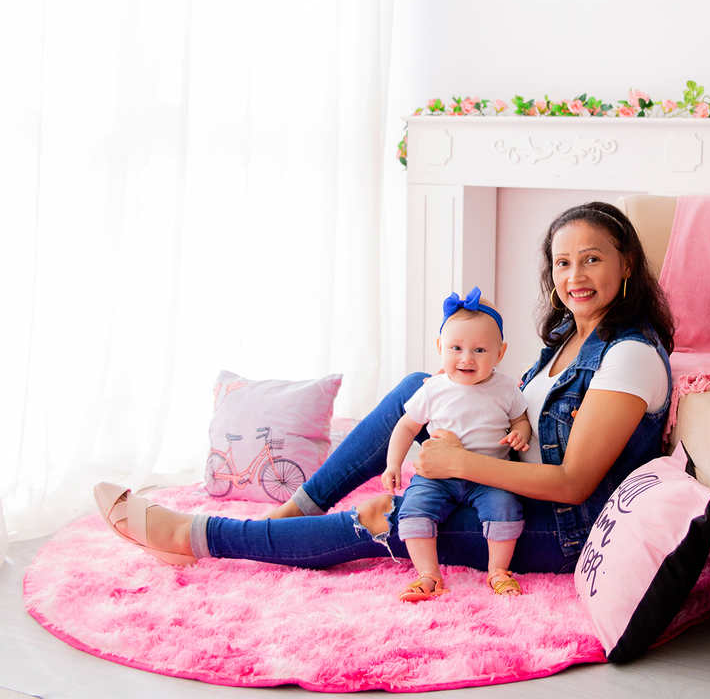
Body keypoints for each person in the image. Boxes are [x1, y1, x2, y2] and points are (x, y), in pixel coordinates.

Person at [94, 201, 675, 580]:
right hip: (505, 487)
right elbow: (524, 418)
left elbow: (573, 485)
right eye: (564, 263)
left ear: (625, 265)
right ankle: (299, 506)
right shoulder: (568, 340)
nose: (575, 276)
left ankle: (199, 536)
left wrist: (462, 462)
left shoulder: (628, 356)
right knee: (420, 386)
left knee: (383, 518)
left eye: (592, 260)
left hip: (556, 530)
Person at [385, 288, 532, 600]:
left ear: (500, 353)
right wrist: (393, 463)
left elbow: (520, 418)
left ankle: (498, 571)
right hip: (437, 477)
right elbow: (407, 426)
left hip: (489, 476)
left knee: (506, 508)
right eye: (456, 348)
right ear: (440, 347)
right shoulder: (433, 389)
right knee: (412, 511)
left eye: (480, 350)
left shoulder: (505, 389)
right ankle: (429, 575)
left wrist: (522, 432)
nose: (466, 358)